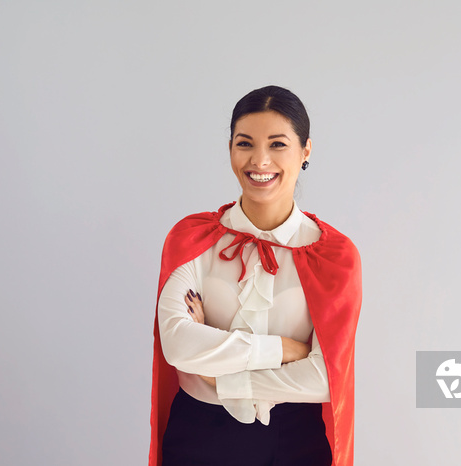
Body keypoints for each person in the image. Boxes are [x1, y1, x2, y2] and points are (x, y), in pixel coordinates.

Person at [149, 85, 362, 466]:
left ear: (305, 151)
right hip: (197, 437)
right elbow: (178, 346)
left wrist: (219, 378)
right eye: (245, 143)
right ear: (230, 148)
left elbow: (327, 377)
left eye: (278, 144)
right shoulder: (193, 239)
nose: (259, 160)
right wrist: (284, 350)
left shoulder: (334, 256)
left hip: (296, 441)